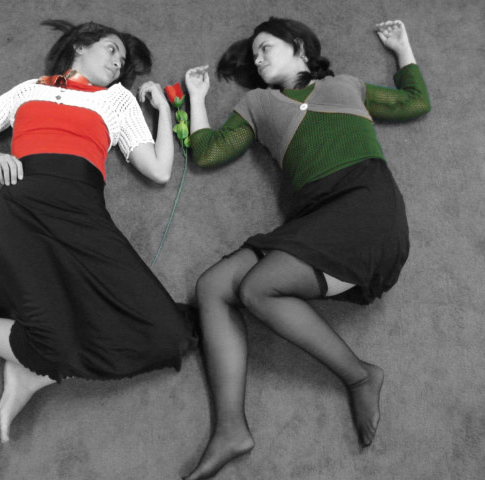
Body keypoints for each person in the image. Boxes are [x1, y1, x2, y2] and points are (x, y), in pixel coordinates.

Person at [0, 20, 197, 444]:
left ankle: (27, 371)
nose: (118, 63)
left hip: (84, 216)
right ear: (79, 46)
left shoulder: (117, 100)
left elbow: (159, 170)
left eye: (123, 61)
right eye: (112, 50)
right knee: (49, 340)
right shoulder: (28, 90)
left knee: (169, 335)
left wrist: (164, 110)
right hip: (24, 211)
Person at [182, 18, 430, 479]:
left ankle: (359, 375)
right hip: (313, 221)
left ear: (298, 45)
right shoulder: (257, 104)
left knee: (257, 288)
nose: (258, 59)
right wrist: (196, 100)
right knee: (212, 286)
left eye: (265, 47)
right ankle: (231, 430)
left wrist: (403, 50)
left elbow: (415, 101)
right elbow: (209, 152)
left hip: (367, 209)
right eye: (254, 55)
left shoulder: (347, 86)